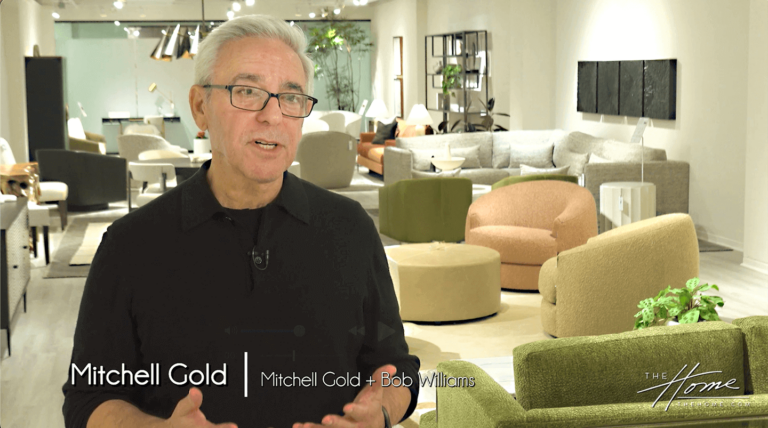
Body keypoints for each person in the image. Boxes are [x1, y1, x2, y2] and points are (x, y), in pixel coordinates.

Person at [62, 14, 419, 428]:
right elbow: (89, 398)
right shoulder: (130, 245)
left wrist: (383, 411)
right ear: (201, 108)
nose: (273, 117)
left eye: (291, 97)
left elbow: (397, 368)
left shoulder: (350, 228)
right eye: (247, 92)